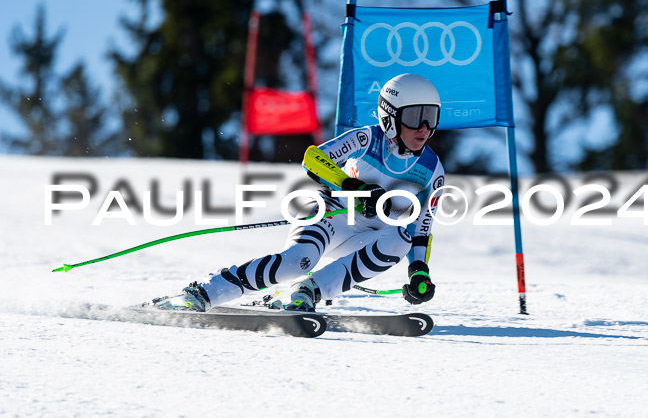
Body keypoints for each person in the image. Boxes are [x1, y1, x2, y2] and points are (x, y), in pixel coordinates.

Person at [152, 73, 444, 312]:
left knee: (402, 238)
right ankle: (205, 292)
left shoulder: (432, 170)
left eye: (431, 117)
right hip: (330, 215)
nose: (424, 127)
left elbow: (422, 228)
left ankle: (307, 293)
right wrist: (354, 188)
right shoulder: (367, 139)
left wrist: (419, 270)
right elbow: (314, 159)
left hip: (368, 237)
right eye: (416, 116)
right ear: (390, 116)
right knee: (296, 263)